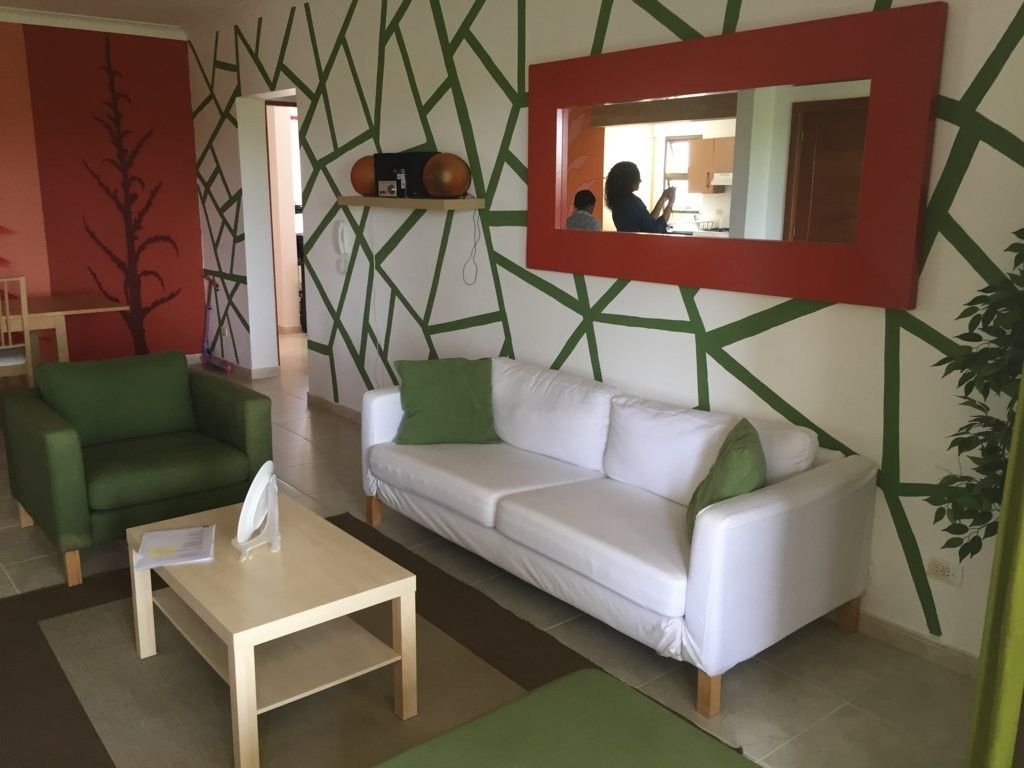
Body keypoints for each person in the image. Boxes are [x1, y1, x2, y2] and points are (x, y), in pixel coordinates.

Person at [604, 161, 675, 233]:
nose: (640, 180)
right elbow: (655, 229)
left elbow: (648, 222)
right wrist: (670, 203)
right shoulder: (632, 202)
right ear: (629, 180)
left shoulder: (619, 202)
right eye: (637, 177)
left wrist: (663, 199)